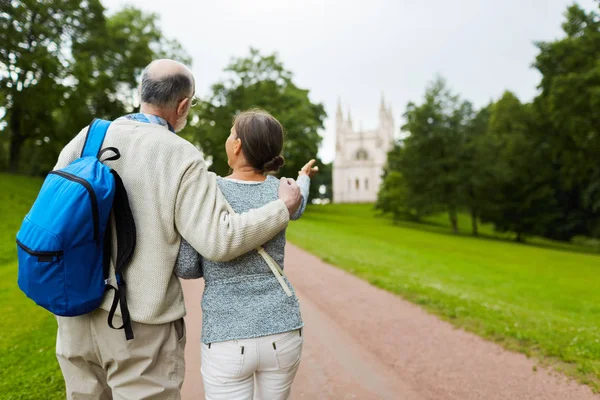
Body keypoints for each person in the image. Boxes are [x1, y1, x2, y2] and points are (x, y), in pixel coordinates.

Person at [52, 60, 302, 400]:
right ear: (183, 106)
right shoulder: (179, 154)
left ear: (141, 93)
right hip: (138, 322)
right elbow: (219, 240)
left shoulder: (88, 136)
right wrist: (281, 209)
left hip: (75, 311)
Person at [176, 109, 318, 400]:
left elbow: (188, 266)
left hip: (227, 335)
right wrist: (303, 177)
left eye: (230, 135)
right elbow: (298, 204)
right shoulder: (282, 192)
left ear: (237, 145)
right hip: (283, 329)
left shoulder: (210, 191)